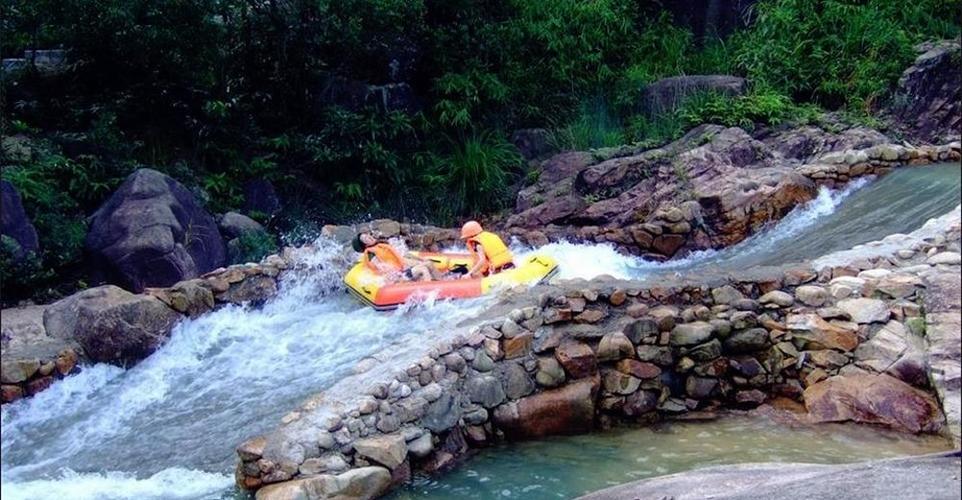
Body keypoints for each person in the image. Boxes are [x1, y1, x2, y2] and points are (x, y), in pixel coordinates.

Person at [352, 232, 440, 282]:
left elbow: (402, 255)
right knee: (423, 269)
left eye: (367, 235)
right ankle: (429, 293)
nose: (368, 236)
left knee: (429, 263)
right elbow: (380, 266)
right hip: (398, 275)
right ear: (364, 245)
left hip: (403, 269)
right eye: (365, 238)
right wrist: (397, 274)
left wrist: (421, 259)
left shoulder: (381, 245)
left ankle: (443, 282)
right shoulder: (370, 253)